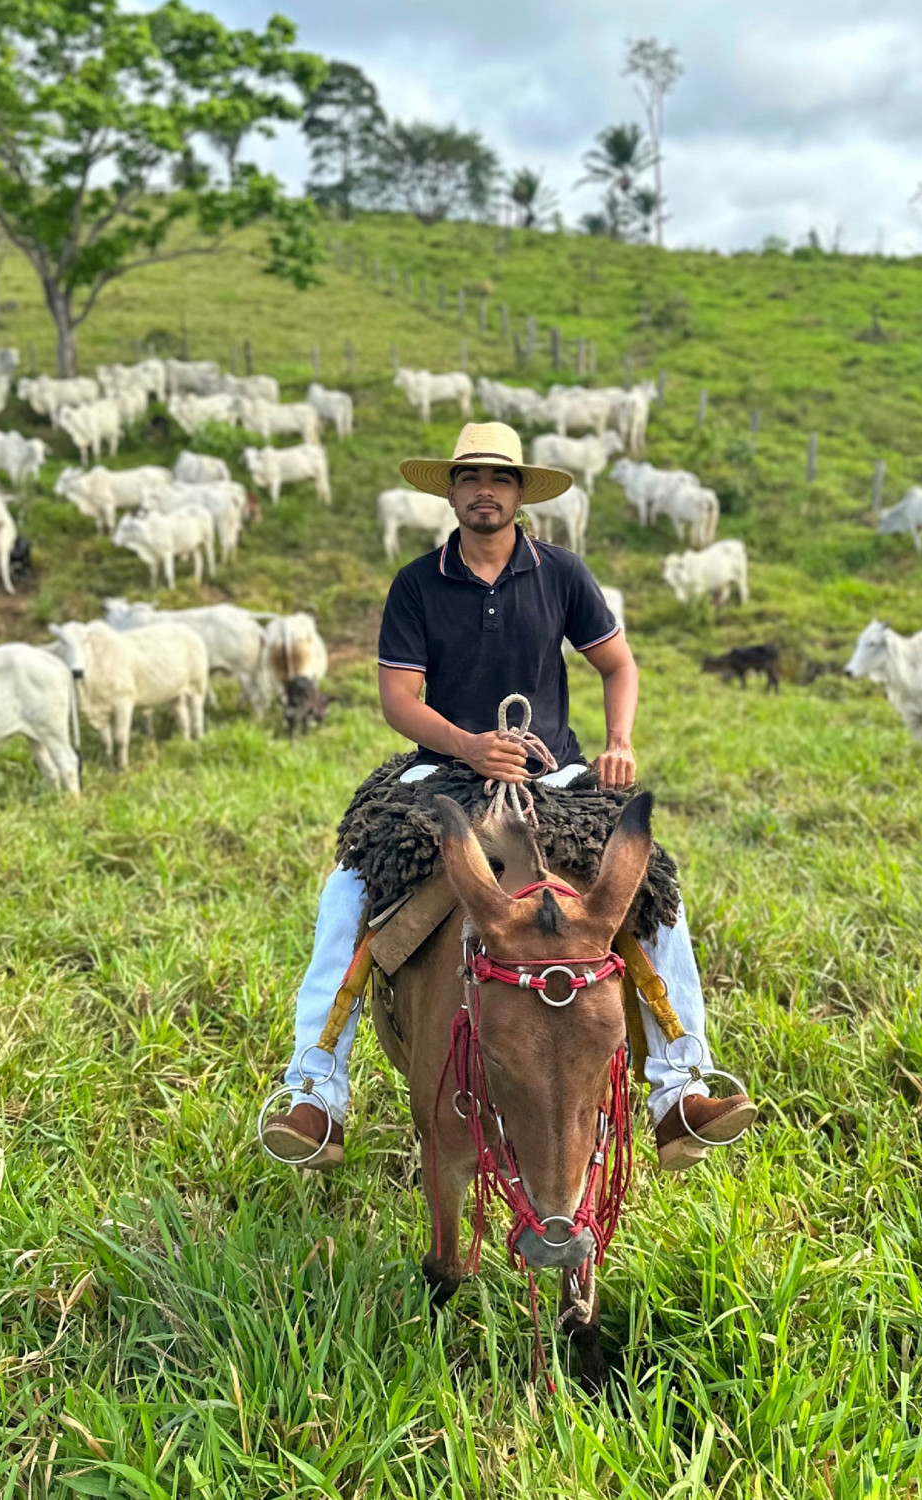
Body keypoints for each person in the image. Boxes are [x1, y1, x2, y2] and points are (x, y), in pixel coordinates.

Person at [261, 423, 756, 1171]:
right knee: (348, 886)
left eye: (499, 477)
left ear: (520, 492)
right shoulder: (417, 583)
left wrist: (618, 742)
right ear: (451, 491)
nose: (484, 490)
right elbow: (400, 699)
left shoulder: (562, 572)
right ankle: (316, 1092)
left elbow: (618, 665)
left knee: (654, 887)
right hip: (444, 771)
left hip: (553, 773)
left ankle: (678, 1092)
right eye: (470, 478)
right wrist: (469, 745)